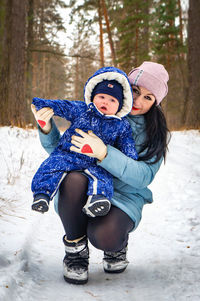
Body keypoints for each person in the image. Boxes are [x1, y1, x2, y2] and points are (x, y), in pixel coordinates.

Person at [31, 61, 170, 285]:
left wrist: (104, 153)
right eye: (135, 91)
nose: (138, 101)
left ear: (156, 103)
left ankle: (116, 245)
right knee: (73, 177)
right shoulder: (102, 109)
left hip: (124, 196)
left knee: (105, 236)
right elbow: (63, 152)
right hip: (88, 187)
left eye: (148, 97)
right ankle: (75, 251)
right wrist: (47, 128)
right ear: (124, 87)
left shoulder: (154, 133)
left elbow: (144, 177)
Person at [31, 67, 138, 218]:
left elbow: (127, 143)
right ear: (93, 96)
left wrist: (130, 156)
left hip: (96, 162)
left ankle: (98, 199)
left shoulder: (121, 125)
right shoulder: (82, 110)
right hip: (69, 154)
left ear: (120, 106)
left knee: (104, 177)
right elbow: (64, 106)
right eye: (101, 97)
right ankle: (42, 194)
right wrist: (43, 104)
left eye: (112, 100)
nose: (105, 102)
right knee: (51, 165)